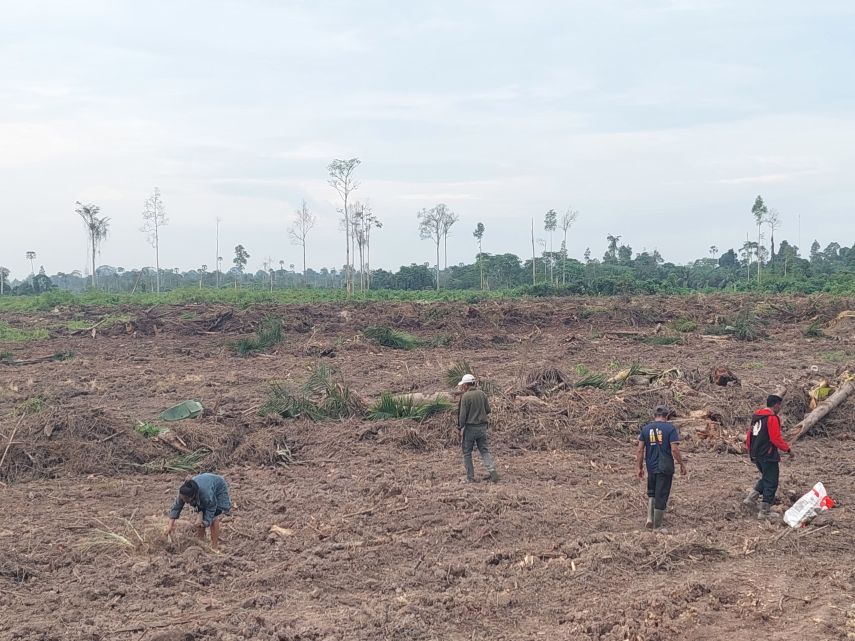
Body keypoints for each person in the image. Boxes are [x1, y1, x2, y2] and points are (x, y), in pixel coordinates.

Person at [636, 405, 686, 529]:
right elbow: (674, 450)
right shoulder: (670, 429)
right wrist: (681, 464)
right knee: (661, 494)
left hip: (651, 466)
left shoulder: (645, 429)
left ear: (654, 416)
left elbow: (640, 450)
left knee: (652, 492)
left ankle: (649, 518)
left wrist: (639, 467)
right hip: (665, 466)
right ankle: (657, 526)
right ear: (667, 416)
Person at [744, 394, 794, 520]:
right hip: (767, 454)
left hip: (756, 454)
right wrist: (787, 449)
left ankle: (751, 498)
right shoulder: (772, 418)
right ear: (776, 405)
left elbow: (749, 435)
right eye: (779, 405)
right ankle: (764, 511)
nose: (780, 408)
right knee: (772, 481)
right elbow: (775, 438)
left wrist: (750, 451)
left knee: (766, 476)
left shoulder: (757, 417)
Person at [165, 473, 232, 550]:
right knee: (200, 518)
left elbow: (211, 508)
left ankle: (214, 546)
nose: (185, 502)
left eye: (187, 500)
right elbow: (177, 507)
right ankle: (200, 543)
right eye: (183, 499)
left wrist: (206, 522)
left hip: (218, 485)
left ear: (193, 496)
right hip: (203, 481)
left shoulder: (206, 495)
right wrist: (170, 525)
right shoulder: (183, 493)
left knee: (214, 517)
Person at [457, 373, 499, 483]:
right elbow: (488, 410)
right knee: (484, 450)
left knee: (467, 452)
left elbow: (462, 416)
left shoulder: (465, 396)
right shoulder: (482, 394)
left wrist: (460, 427)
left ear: (466, 385)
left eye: (463, 385)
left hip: (470, 429)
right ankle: (493, 473)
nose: (462, 387)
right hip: (482, 428)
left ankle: (470, 477)